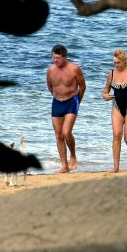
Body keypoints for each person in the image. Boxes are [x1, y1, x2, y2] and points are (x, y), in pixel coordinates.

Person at [46, 44, 86, 173]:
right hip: (57, 102)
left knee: (66, 132)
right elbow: (50, 86)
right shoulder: (51, 70)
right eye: (53, 57)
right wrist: (58, 96)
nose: (55, 60)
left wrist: (78, 101)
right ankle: (64, 165)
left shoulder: (74, 68)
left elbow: (83, 86)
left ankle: (73, 155)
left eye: (58, 58)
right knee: (58, 135)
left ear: (65, 57)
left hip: (72, 101)